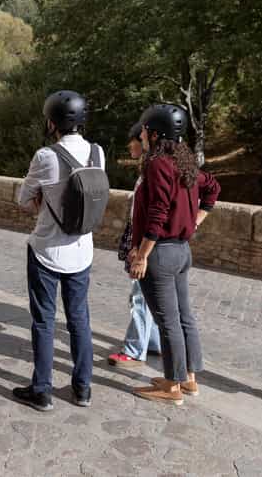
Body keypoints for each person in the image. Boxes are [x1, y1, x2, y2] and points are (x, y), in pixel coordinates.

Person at [13, 90, 105, 411]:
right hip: (82, 250)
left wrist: (42, 199)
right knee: (79, 319)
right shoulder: (98, 152)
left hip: (47, 251)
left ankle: (42, 391)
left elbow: (23, 199)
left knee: (44, 321)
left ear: (52, 122)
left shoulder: (45, 156)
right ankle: (82, 388)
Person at [129, 104, 220, 405]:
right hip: (181, 251)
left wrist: (142, 256)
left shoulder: (157, 165)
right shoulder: (183, 162)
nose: (141, 135)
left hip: (161, 254)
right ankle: (188, 379)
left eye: (144, 130)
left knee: (168, 322)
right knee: (184, 318)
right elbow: (213, 187)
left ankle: (171, 387)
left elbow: (157, 213)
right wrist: (195, 220)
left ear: (155, 134)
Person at [108, 121, 161, 368]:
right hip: (144, 239)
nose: (130, 145)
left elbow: (156, 213)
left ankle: (134, 350)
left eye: (134, 140)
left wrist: (140, 249)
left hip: (146, 242)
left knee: (140, 295)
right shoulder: (151, 167)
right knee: (146, 294)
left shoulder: (155, 169)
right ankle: (153, 342)